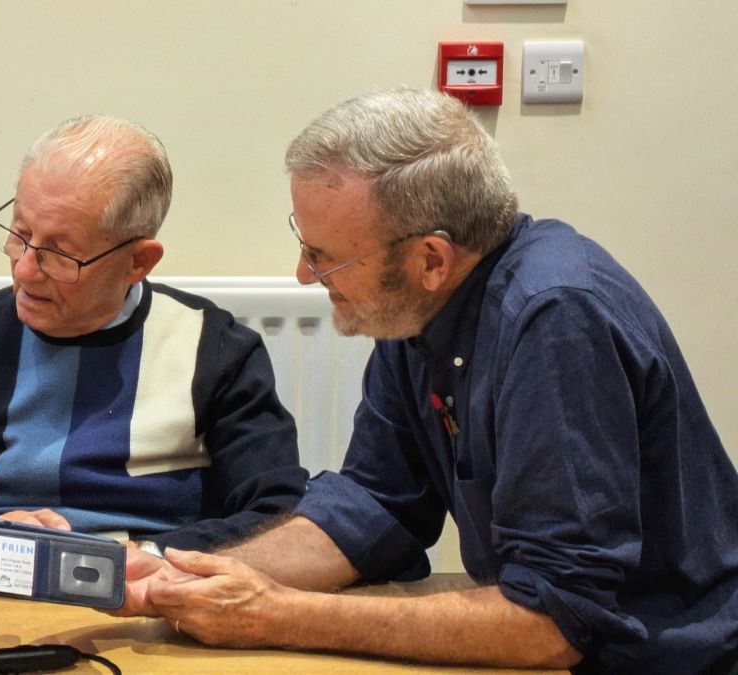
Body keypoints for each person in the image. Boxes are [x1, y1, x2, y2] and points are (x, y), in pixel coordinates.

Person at [119, 88, 738, 673]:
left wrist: (282, 616)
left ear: (431, 260)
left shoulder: (554, 317)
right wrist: (173, 578)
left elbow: (555, 621)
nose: (306, 275)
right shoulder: (419, 310)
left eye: (326, 255)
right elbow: (375, 507)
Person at [0, 115, 308, 583]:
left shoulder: (214, 350)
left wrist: (144, 556)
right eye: (20, 234)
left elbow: (280, 515)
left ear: (138, 261)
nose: (25, 270)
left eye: (60, 253)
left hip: (152, 596)